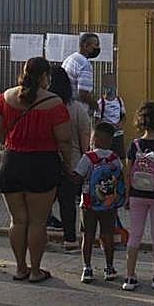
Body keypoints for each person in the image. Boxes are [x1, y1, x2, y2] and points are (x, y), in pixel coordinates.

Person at [0, 56, 74, 283]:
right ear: (46, 76)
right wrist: (70, 164)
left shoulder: (6, 97)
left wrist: (6, 143)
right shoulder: (54, 103)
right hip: (42, 163)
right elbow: (64, 139)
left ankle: (20, 268)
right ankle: (36, 270)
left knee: (17, 220)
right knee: (38, 221)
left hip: (11, 162)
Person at [123, 101, 154, 291]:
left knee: (135, 235)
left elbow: (128, 173)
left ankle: (130, 277)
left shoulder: (134, 145)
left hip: (136, 195)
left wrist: (128, 196)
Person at [76, 121, 125, 283]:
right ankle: (109, 268)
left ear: (94, 138)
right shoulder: (114, 158)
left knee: (88, 236)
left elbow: (77, 176)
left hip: (88, 205)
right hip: (109, 205)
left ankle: (87, 268)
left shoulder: (88, 158)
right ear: (110, 141)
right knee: (107, 236)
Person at [48, 65, 90, 252]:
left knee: (42, 202)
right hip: (72, 163)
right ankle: (70, 239)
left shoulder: (44, 106)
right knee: (68, 202)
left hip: (46, 159)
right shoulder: (78, 109)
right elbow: (84, 142)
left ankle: (39, 235)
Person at [62, 33, 101, 107]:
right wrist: (95, 105)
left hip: (67, 104)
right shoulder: (84, 64)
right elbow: (83, 94)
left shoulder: (71, 58)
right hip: (76, 107)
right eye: (96, 45)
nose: (98, 48)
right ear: (86, 46)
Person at [95, 84, 126, 158]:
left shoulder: (119, 100)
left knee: (120, 157)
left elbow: (124, 116)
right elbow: (97, 121)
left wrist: (120, 124)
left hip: (118, 135)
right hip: (106, 136)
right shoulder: (100, 103)